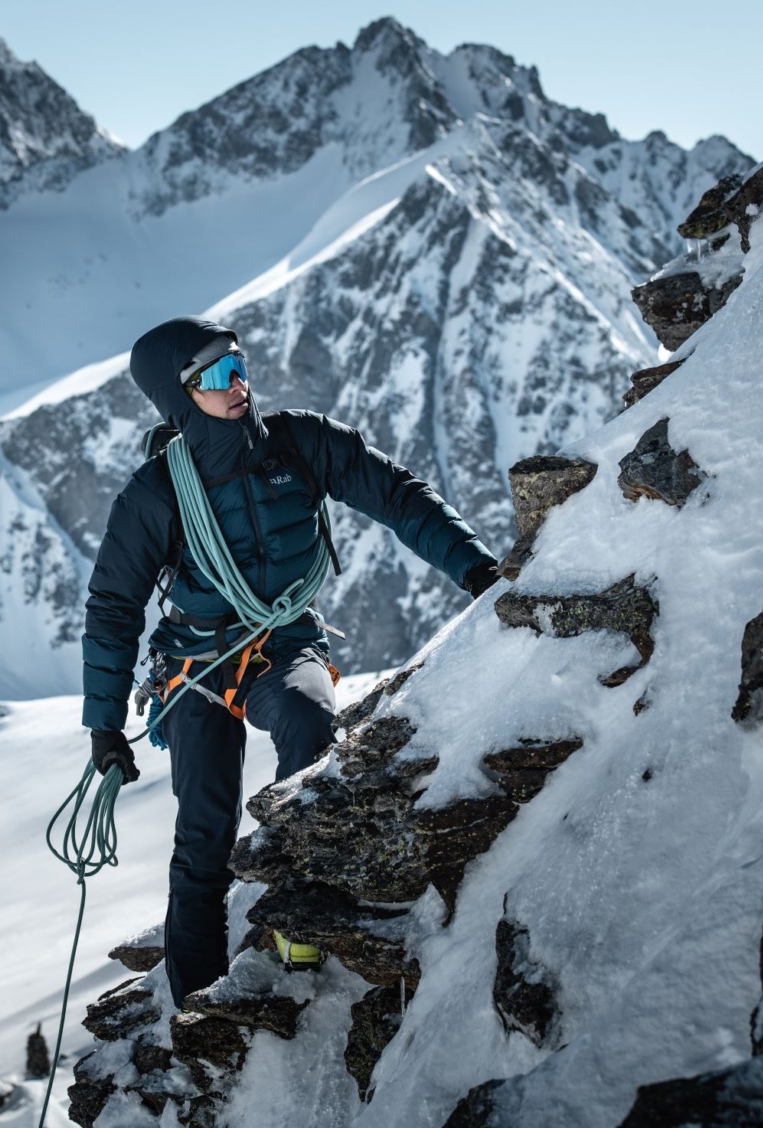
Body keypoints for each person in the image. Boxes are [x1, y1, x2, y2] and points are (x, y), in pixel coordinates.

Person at [82, 316, 500, 1004]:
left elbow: (397, 495)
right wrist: (103, 726)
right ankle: (195, 1003)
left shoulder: (302, 443)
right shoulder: (156, 493)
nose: (238, 383)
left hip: (285, 639)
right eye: (216, 375)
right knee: (204, 833)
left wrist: (475, 567)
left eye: (239, 364)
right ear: (181, 397)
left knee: (309, 725)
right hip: (197, 663)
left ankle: (297, 923)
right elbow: (113, 606)